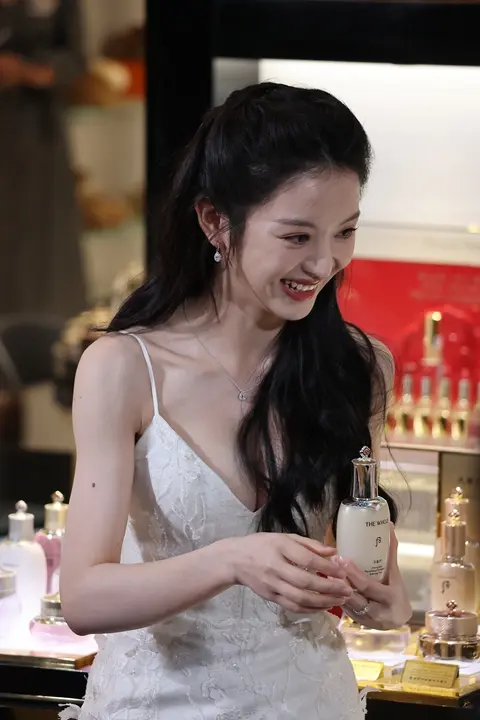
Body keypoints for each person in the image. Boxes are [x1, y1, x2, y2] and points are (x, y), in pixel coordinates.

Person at [60, 82, 412, 719]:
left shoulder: (356, 367)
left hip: (310, 701)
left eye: (345, 232)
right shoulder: (124, 369)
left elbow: (363, 556)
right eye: (297, 236)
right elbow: (84, 597)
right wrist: (230, 561)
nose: (325, 263)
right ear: (215, 221)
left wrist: (382, 598)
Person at [0, 0, 85, 317]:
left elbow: (75, 60)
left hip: (37, 135)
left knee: (43, 244)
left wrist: (27, 72)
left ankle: (43, 332)